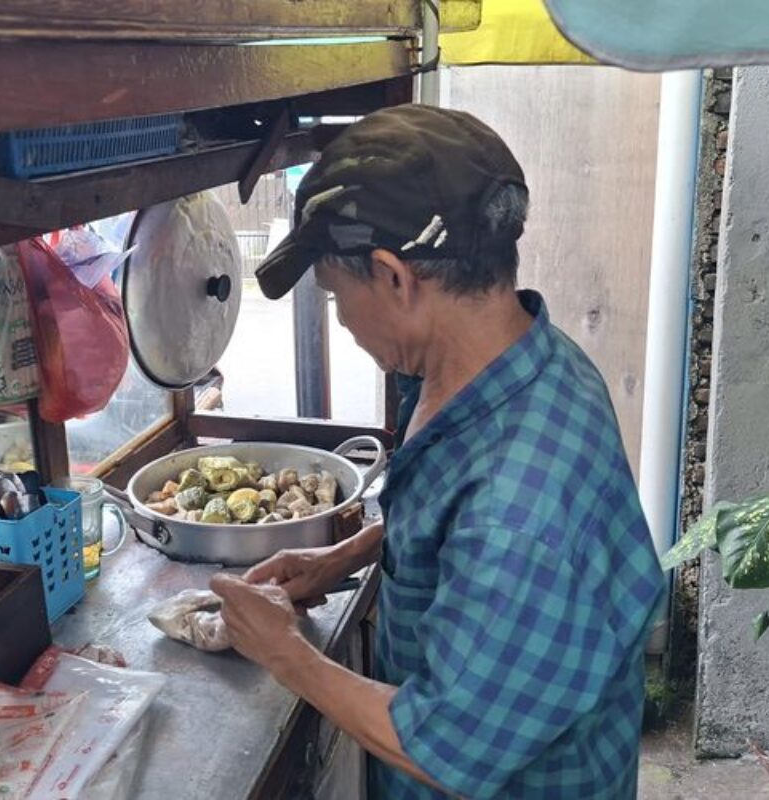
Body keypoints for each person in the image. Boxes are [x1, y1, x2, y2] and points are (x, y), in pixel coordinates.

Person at [210, 104, 665, 799]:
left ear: (396, 277)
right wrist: (346, 555)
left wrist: (284, 651)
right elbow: (457, 520)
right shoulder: (530, 361)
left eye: (335, 296)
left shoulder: (517, 515)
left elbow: (444, 748)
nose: (342, 318)